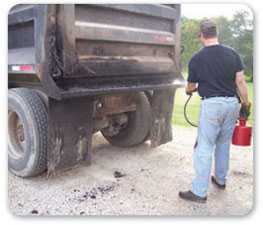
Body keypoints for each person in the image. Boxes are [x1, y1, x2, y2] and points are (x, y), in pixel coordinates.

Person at [179, 19, 251, 203]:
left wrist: (189, 90)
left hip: (212, 106)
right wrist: (246, 103)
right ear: (216, 34)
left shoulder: (197, 58)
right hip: (232, 104)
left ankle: (199, 192)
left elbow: (190, 86)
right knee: (223, 144)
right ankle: (220, 180)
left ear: (201, 35)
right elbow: (240, 82)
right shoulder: (233, 54)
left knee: (204, 147)